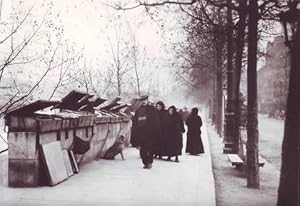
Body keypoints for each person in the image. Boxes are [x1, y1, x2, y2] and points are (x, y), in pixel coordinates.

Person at [131, 95, 160, 169]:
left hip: (150, 133)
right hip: (141, 133)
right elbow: (135, 121)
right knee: (142, 149)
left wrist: (155, 131)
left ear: (147, 100)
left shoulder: (152, 109)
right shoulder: (138, 110)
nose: (143, 102)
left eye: (144, 100)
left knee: (150, 148)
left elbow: (156, 121)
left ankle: (150, 162)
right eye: (142, 100)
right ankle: (145, 162)